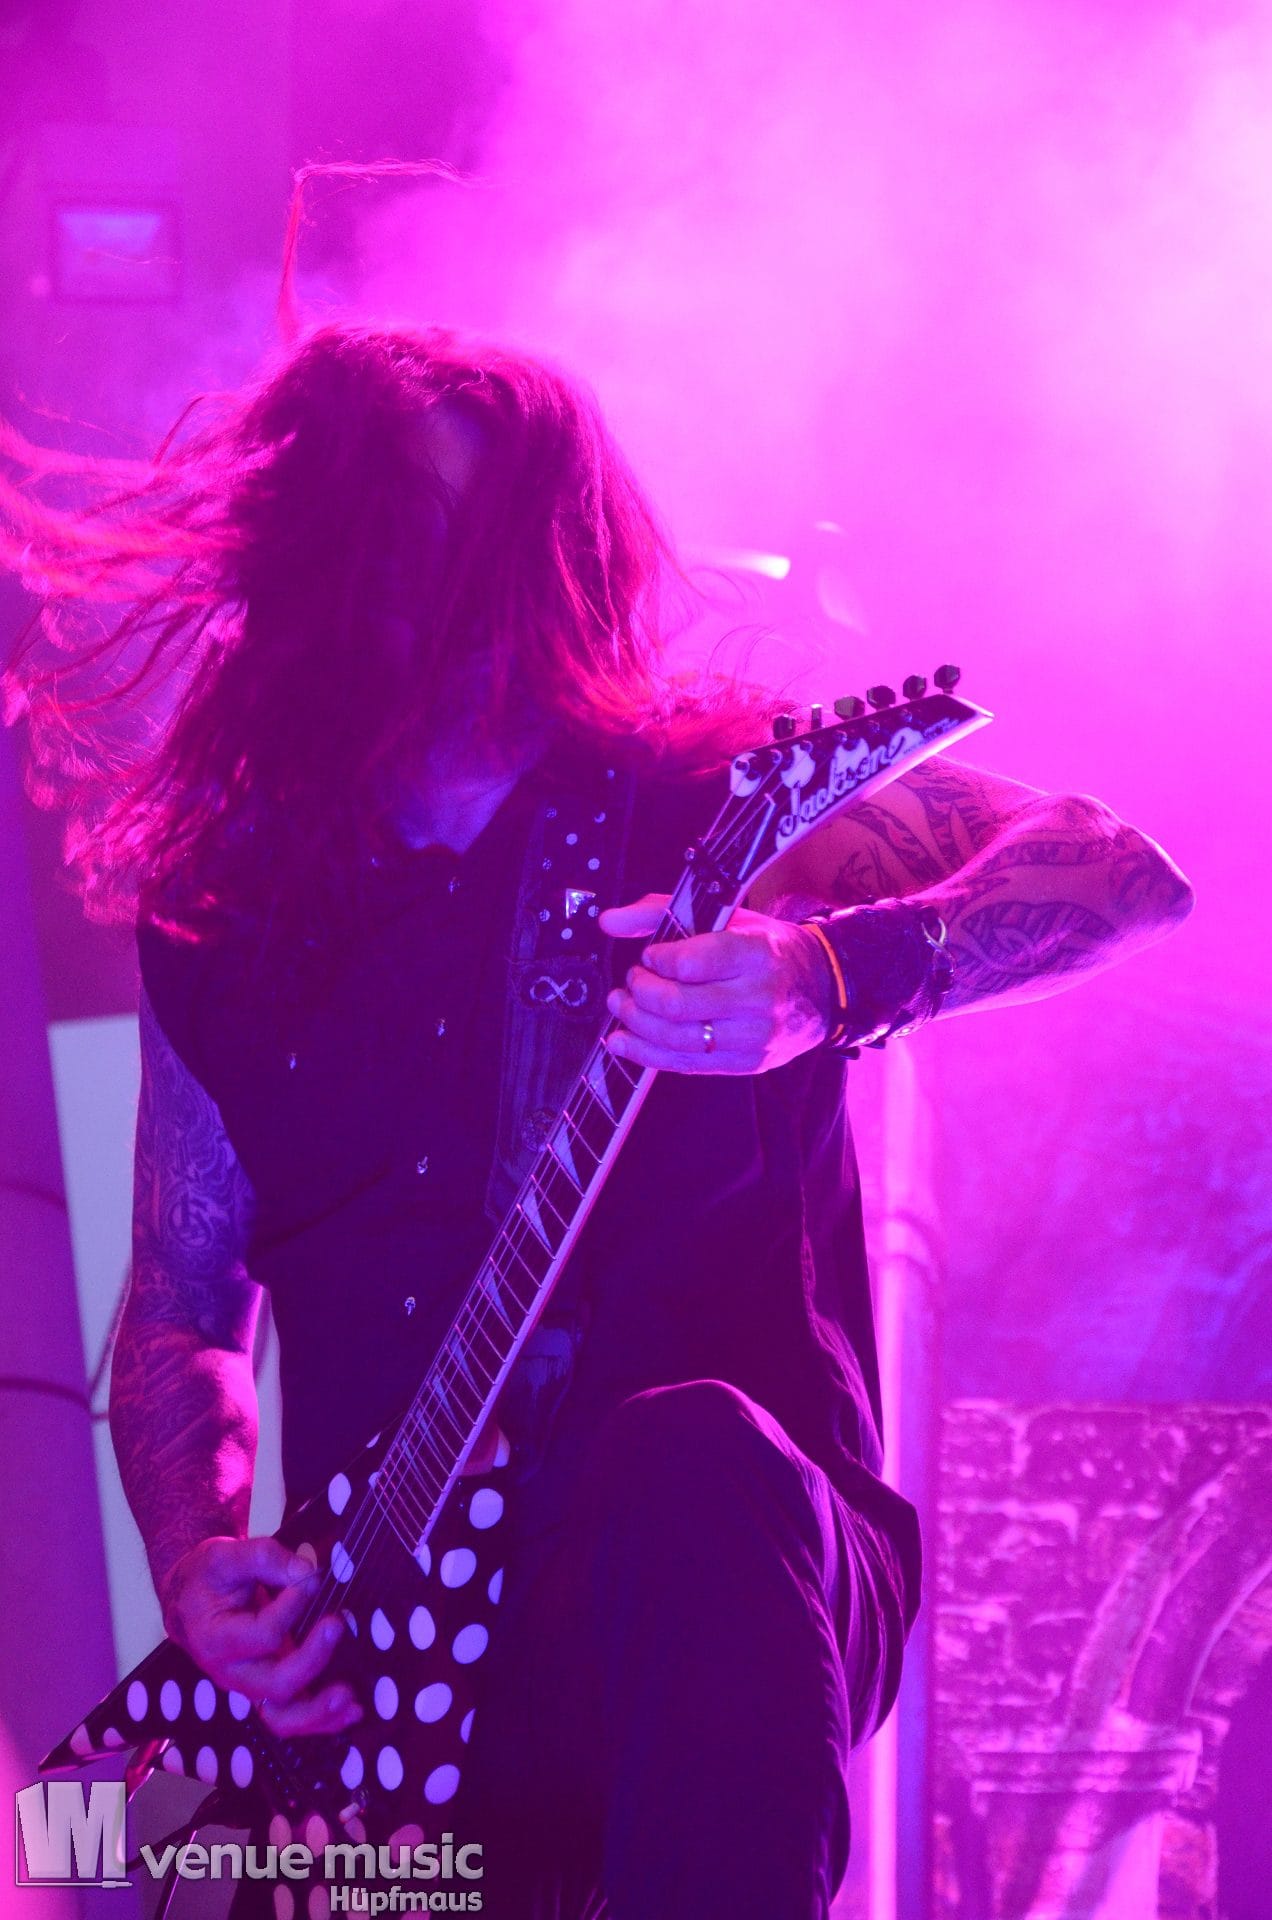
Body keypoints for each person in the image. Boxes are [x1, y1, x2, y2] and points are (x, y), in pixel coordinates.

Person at [3, 323, 1192, 1918]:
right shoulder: (230, 912)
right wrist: (198, 1563)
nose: (405, 589)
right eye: (370, 534)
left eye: (445, 536)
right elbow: (178, 1303)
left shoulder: (720, 807)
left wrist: (829, 977)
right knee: (123, 1847)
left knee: (690, 1463)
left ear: (542, 554)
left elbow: (1118, 871)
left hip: (719, 1587)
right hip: (397, 1658)